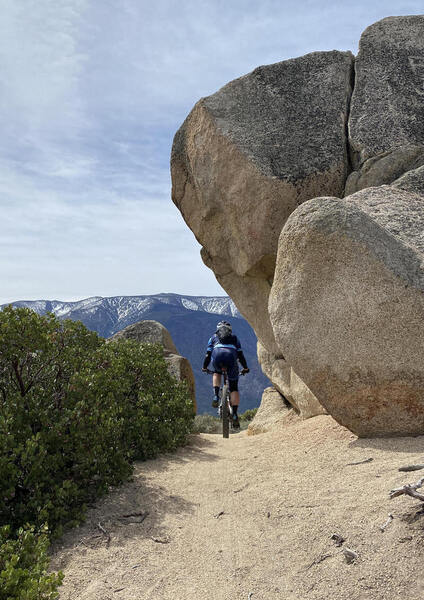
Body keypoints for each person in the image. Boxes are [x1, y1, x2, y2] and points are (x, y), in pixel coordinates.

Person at [202, 320, 249, 429]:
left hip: (217, 357)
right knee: (233, 388)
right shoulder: (235, 338)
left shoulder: (213, 337)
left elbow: (208, 355)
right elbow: (240, 356)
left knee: (216, 373)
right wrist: (245, 368)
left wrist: (204, 367)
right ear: (230, 330)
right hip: (231, 358)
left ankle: (216, 395)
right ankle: (235, 413)